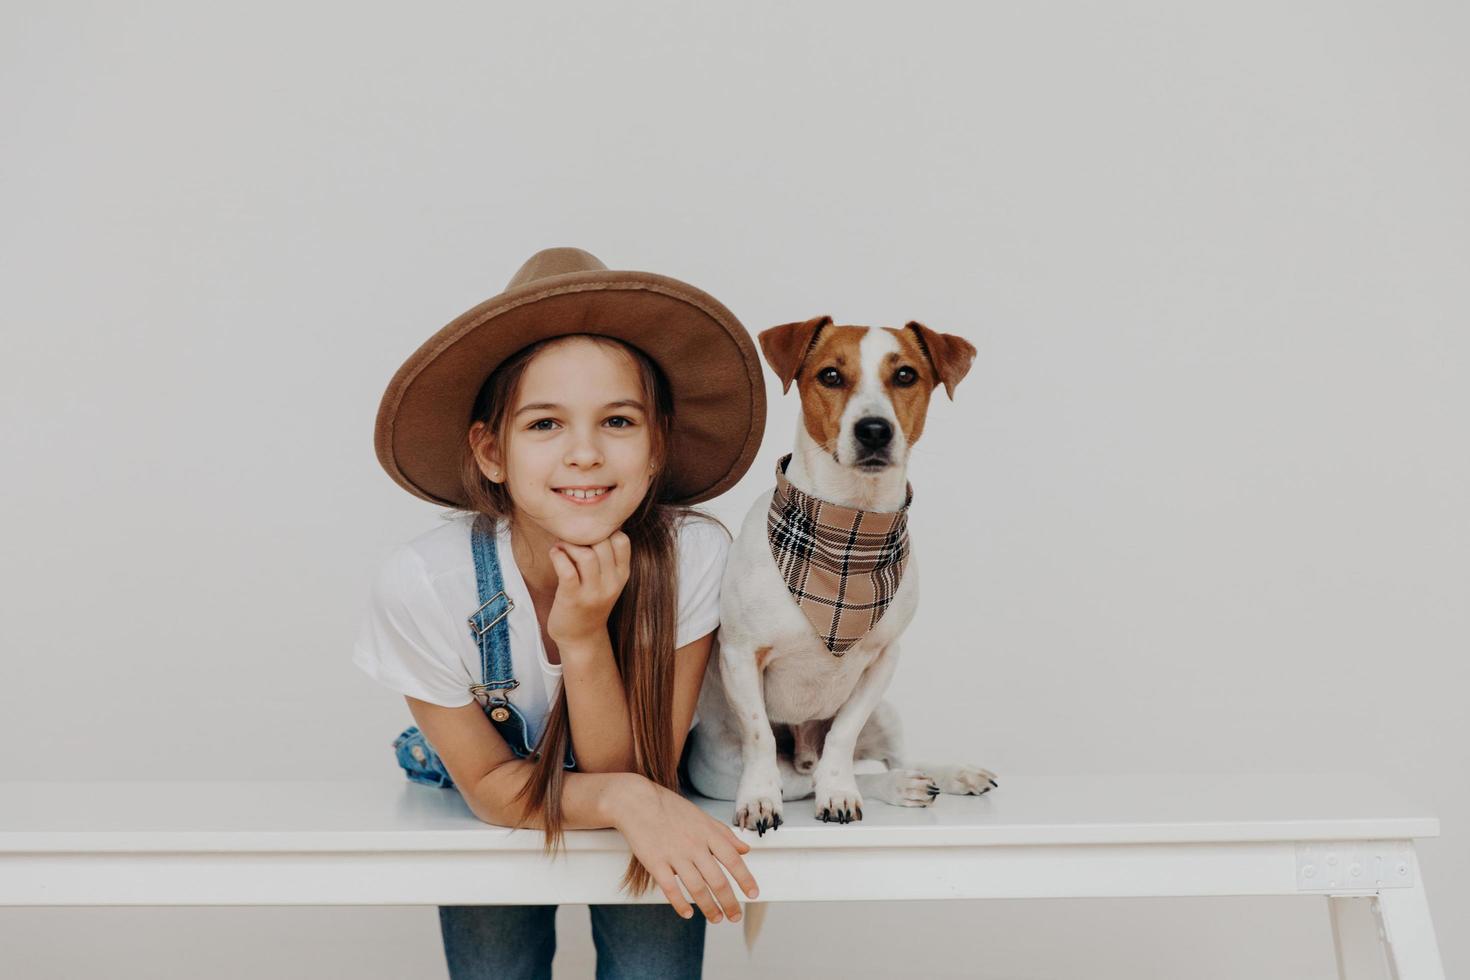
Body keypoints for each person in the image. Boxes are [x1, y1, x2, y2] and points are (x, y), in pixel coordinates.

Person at [352, 246, 768, 980]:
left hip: (643, 776)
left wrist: (583, 639)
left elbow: (640, 765)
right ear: (491, 451)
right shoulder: (424, 582)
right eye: (545, 425)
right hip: (499, 786)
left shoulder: (695, 555)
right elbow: (488, 786)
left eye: (617, 421)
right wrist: (625, 794)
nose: (584, 454)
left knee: (653, 957)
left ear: (656, 446)